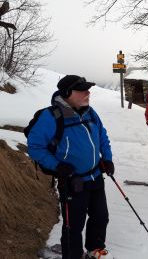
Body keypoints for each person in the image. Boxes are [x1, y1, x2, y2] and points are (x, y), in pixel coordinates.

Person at [27, 75, 114, 259]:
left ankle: (94, 251)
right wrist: (57, 166)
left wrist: (107, 158)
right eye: (82, 89)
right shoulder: (51, 116)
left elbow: (102, 135)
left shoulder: (90, 112)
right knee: (73, 227)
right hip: (73, 182)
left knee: (101, 218)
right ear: (68, 93)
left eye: (88, 89)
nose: (87, 93)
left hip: (95, 176)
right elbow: (35, 147)